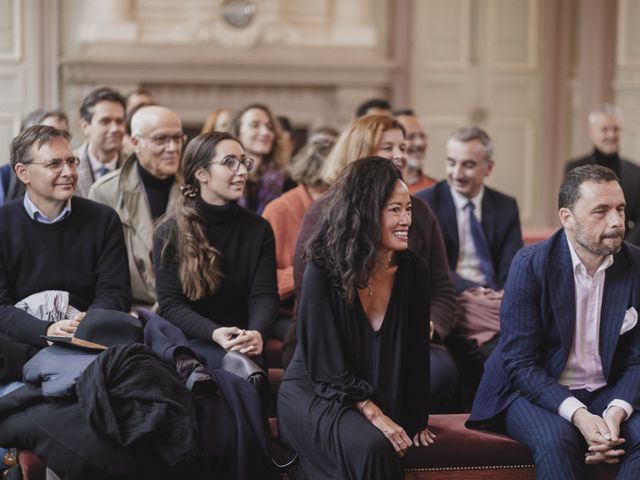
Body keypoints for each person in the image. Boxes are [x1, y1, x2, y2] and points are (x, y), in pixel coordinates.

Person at [468, 165, 640, 479]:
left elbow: (638, 359)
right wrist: (580, 416)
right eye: (600, 212)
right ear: (567, 218)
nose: (617, 222)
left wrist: (616, 411)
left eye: (620, 209)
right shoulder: (530, 265)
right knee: (556, 440)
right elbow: (520, 364)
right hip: (534, 390)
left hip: (607, 388)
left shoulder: (636, 265)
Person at [284, 114, 458, 413]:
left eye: (402, 147)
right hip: (336, 340)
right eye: (387, 146)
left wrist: (427, 325)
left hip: (401, 338)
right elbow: (311, 291)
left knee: (441, 372)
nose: (400, 155)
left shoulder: (420, 212)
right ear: (359, 153)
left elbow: (442, 288)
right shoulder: (324, 211)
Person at [279, 157, 435, 479]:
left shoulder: (414, 271)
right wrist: (372, 411)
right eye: (395, 210)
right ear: (365, 211)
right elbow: (323, 364)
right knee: (373, 447)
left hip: (372, 387)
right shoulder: (323, 268)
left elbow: (416, 354)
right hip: (316, 390)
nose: (406, 219)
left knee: (381, 444)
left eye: (409, 209)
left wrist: (416, 420)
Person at [0, 125, 130, 382]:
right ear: (23, 172)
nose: (69, 172)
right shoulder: (3, 224)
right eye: (54, 164)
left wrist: (88, 323)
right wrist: (47, 330)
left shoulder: (103, 219)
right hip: (18, 346)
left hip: (88, 344)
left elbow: (115, 293)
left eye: (71, 161)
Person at [416, 127, 522, 406]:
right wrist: (478, 293)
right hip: (452, 298)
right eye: (451, 162)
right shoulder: (426, 203)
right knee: (498, 350)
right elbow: (430, 267)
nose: (457, 172)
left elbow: (512, 263)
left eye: (468, 164)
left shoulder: (506, 205)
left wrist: (498, 297)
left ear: (489, 168)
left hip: (496, 300)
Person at [153, 131, 278, 370]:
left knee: (246, 370)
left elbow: (264, 294)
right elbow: (171, 304)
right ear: (201, 173)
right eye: (230, 162)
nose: (242, 171)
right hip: (192, 340)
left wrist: (257, 332)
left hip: (242, 340)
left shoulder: (258, 228)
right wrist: (214, 333)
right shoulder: (169, 230)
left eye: (243, 161)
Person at [89, 106, 184, 309]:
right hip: (129, 309)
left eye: (178, 138)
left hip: (186, 309)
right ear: (135, 143)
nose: (173, 148)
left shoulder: (193, 189)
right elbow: (97, 269)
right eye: (161, 140)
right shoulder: (105, 192)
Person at [262, 140, 332, 341]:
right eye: (325, 188)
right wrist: (309, 274)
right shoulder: (278, 210)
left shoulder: (342, 209)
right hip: (285, 312)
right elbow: (263, 280)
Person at [566, 103, 640, 244]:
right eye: (605, 129)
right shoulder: (575, 168)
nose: (611, 134)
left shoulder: (636, 172)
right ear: (592, 132)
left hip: (628, 250)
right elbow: (571, 212)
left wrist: (624, 247)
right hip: (586, 248)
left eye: (615, 129)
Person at [231, 103, 292, 214]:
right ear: (238, 133)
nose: (265, 132)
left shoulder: (287, 183)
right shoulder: (224, 179)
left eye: (270, 127)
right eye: (255, 125)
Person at [75, 87, 127, 197]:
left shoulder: (133, 167)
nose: (114, 129)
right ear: (85, 126)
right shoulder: (69, 166)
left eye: (119, 121)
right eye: (105, 121)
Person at [394, 108, 437, 193]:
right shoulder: (379, 189)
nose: (420, 143)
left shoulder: (435, 189)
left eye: (422, 136)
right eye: (410, 137)